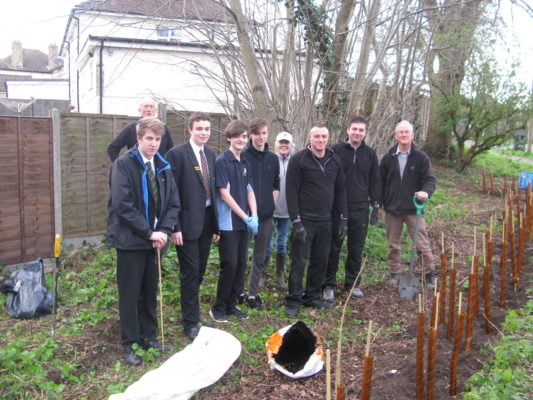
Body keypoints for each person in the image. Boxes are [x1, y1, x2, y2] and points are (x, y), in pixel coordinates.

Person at [107, 117, 180, 366]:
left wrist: (164, 230)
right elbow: (122, 205)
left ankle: (150, 336)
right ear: (138, 139)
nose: (154, 144)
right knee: (130, 294)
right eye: (149, 138)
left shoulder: (163, 166)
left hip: (155, 242)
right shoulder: (123, 165)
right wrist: (149, 232)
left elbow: (173, 203)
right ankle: (130, 343)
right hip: (131, 242)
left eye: (158, 139)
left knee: (150, 292)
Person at [165, 112, 219, 341]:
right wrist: (174, 227)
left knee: (199, 272)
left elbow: (213, 193)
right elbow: (170, 192)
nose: (203, 133)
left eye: (207, 129)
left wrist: (215, 226)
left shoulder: (211, 155)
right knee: (189, 273)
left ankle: (195, 316)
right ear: (190, 130)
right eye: (199, 129)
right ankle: (189, 323)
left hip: (206, 221)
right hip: (185, 224)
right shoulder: (176, 155)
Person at [285, 123, 347, 318]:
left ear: (328, 138)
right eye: (317, 136)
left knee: (320, 260)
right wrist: (296, 221)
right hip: (304, 220)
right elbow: (291, 191)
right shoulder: (299, 160)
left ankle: (311, 296)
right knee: (299, 260)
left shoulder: (334, 161)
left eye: (324, 137)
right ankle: (294, 299)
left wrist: (343, 218)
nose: (320, 140)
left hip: (326, 220)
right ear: (310, 138)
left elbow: (341, 191)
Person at [323, 117, 381, 301]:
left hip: (360, 207)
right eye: (354, 129)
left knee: (356, 247)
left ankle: (353, 283)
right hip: (337, 208)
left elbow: (374, 180)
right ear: (348, 130)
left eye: (361, 130)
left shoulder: (370, 154)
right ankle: (328, 284)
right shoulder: (335, 151)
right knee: (334, 246)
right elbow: (327, 178)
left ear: (365, 133)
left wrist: (375, 204)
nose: (357, 133)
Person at [210, 120, 258, 323]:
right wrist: (245, 216)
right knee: (229, 265)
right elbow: (224, 194)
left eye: (244, 136)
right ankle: (218, 307)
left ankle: (231, 305)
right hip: (228, 223)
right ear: (229, 138)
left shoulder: (245, 162)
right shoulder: (223, 161)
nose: (241, 139)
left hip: (243, 223)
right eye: (237, 136)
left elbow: (249, 190)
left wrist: (254, 215)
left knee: (239, 265)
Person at [380, 120, 437, 286]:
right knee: (393, 244)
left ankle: (429, 273)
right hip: (392, 209)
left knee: (421, 243)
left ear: (412, 135)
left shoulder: (421, 158)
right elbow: (380, 181)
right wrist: (379, 202)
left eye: (407, 132)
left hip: (413, 209)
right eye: (401, 132)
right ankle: (394, 272)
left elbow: (430, 179)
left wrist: (425, 192)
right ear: (396, 135)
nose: (404, 135)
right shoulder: (388, 158)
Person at [242, 118, 280, 310]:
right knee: (240, 256)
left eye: (264, 133)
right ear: (251, 135)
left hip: (265, 216)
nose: (261, 137)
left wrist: (269, 205)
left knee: (260, 256)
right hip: (244, 216)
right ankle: (237, 292)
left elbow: (276, 185)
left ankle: (252, 294)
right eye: (257, 134)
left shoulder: (272, 159)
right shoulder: (242, 156)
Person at [265, 131, 294, 289]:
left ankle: (279, 275)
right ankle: (262, 274)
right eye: (281, 142)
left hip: (287, 210)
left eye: (286, 143)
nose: (284, 145)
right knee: (267, 244)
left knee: (282, 243)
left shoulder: (294, 162)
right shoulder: (269, 160)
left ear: (290, 145)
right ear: (275, 144)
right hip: (270, 209)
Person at [107, 99, 174, 162]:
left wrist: (167, 171)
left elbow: (170, 152)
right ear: (139, 110)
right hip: (136, 171)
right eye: (146, 106)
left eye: (151, 106)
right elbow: (112, 148)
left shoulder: (163, 128)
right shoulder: (132, 128)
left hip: (158, 171)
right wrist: (120, 167)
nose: (148, 109)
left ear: (155, 110)